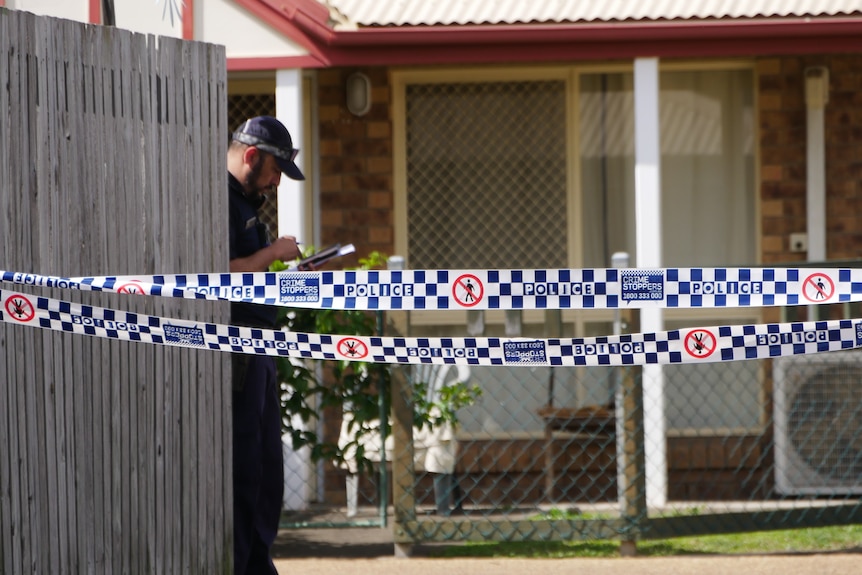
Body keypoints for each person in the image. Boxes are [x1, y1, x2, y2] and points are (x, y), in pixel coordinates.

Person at [228, 115, 304, 575]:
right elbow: (220, 272)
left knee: (266, 470)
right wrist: (272, 253)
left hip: (260, 347)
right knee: (245, 467)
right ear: (252, 156)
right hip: (235, 349)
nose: (276, 183)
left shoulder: (247, 198)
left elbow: (256, 277)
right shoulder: (220, 199)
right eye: (276, 170)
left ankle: (259, 562)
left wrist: (295, 276)